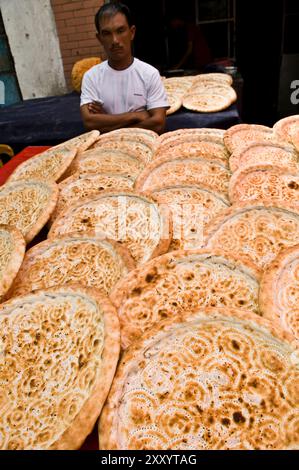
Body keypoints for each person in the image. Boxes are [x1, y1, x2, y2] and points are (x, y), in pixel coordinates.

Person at [80, 3, 169, 135]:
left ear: (132, 32)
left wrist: (105, 121)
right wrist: (135, 115)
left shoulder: (149, 74)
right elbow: (89, 123)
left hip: (144, 149)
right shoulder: (91, 77)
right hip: (106, 152)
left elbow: (158, 124)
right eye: (107, 34)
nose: (115, 40)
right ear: (99, 38)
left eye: (120, 31)